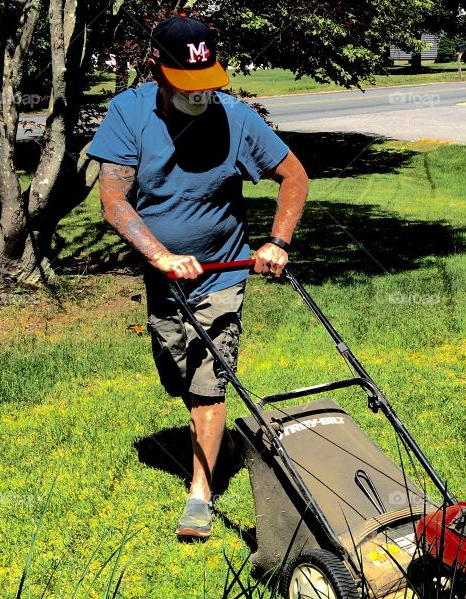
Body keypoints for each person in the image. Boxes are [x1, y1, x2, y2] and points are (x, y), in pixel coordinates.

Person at [87, 13, 309, 541]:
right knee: (180, 381)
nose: (199, 96)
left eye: (207, 83)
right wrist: (160, 256)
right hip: (164, 281)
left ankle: (200, 495)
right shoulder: (128, 112)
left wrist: (277, 242)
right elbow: (114, 199)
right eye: (187, 86)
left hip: (221, 276)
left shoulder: (234, 118)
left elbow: (294, 176)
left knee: (209, 387)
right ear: (154, 68)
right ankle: (225, 447)